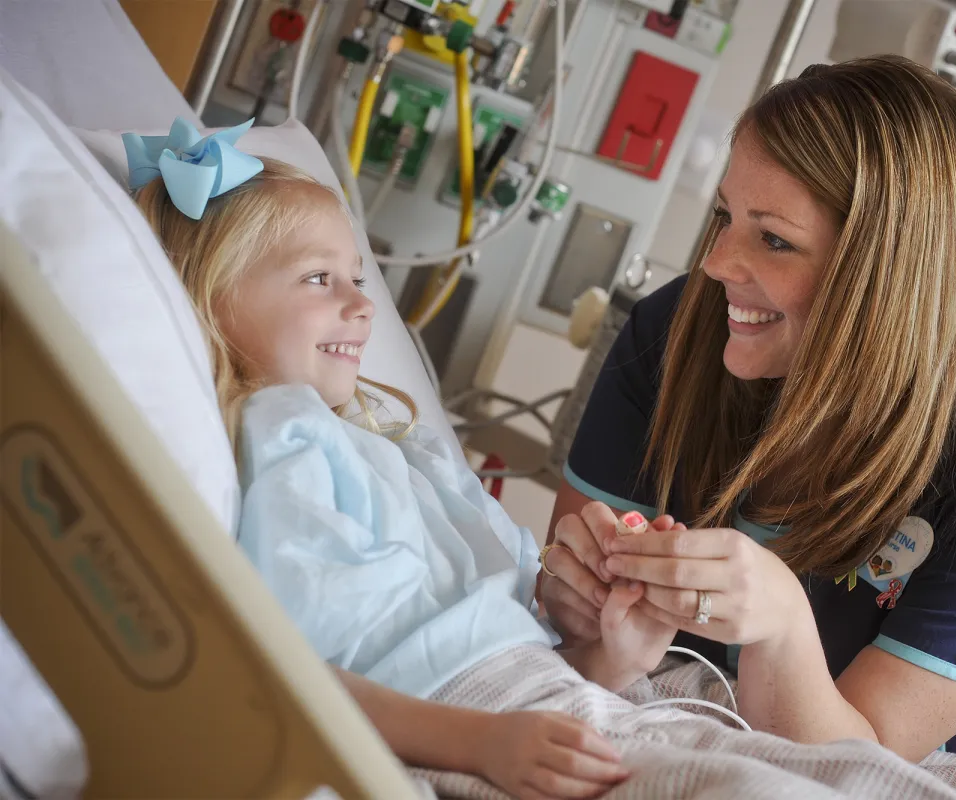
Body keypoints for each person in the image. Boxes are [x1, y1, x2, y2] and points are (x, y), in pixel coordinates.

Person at [539, 55, 956, 764]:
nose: (718, 262)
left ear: (886, 273)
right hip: (717, 719)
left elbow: (862, 767)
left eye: (773, 239)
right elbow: (565, 592)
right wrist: (581, 589)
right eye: (725, 216)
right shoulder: (676, 332)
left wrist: (780, 617)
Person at [128, 134, 676, 799]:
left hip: (549, 702)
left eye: (357, 279)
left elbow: (517, 645)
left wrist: (612, 654)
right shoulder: (290, 435)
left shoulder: (390, 444)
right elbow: (295, 668)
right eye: (318, 278)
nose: (363, 307)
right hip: (457, 724)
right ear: (215, 298)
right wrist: (480, 743)